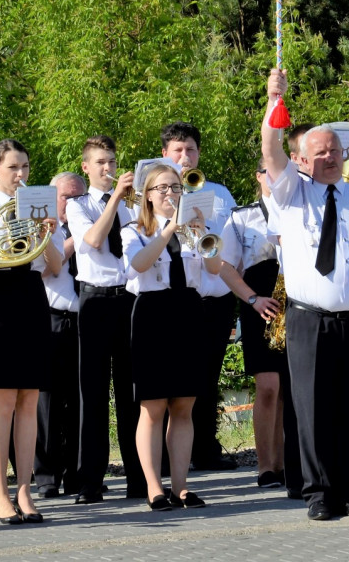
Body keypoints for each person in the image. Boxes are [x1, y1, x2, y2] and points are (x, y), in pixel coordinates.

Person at [262, 70, 349, 521]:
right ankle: (319, 495)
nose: (330, 158)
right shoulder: (290, 194)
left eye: (335, 151)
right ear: (302, 160)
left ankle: (348, 490)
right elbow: (271, 147)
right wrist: (274, 100)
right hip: (309, 320)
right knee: (313, 410)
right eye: (320, 153)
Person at [0, 140, 61, 524]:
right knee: (2, 402)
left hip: (32, 297)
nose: (20, 174)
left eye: (24, 166)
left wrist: (47, 232)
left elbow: (54, 266)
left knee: (28, 401)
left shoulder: (39, 207)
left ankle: (24, 489)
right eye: (12, 168)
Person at [122, 164, 221, 510]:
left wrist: (203, 231)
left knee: (184, 405)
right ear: (147, 196)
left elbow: (214, 268)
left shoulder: (193, 228)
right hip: (152, 313)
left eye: (175, 188)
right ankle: (153, 487)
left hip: (189, 311)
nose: (170, 194)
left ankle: (181, 486)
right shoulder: (134, 230)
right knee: (153, 407)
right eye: (162, 189)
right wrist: (168, 231)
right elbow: (138, 265)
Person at [66, 135, 145, 503]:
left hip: (127, 300)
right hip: (94, 301)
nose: (108, 169)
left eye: (112, 162)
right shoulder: (77, 206)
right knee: (93, 394)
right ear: (86, 167)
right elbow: (96, 240)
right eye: (100, 163)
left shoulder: (132, 206)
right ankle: (90, 482)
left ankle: (139, 478)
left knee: (132, 393)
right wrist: (116, 199)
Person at [218, 162, 302, 491]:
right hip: (260, 306)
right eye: (268, 172)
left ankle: (289, 464)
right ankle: (266, 467)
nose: (276, 178)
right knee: (268, 387)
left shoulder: (300, 211)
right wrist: (253, 299)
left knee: (293, 391)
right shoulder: (241, 217)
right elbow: (225, 267)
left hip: (297, 303)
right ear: (257, 175)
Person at [161, 121, 237, 470]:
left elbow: (231, 241)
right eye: (177, 150)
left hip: (217, 296)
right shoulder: (157, 194)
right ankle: (167, 455)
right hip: (177, 297)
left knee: (207, 377)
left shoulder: (220, 193)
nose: (185, 156)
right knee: (173, 377)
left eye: (190, 149)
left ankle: (205, 449)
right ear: (165, 154)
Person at [34, 172, 85, 501]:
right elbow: (46, 268)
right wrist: (77, 238)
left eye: (79, 197)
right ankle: (46, 475)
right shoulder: (42, 230)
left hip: (84, 319)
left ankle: (78, 474)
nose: (73, 203)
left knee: (80, 401)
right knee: (47, 402)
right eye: (67, 196)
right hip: (51, 318)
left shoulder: (94, 225)